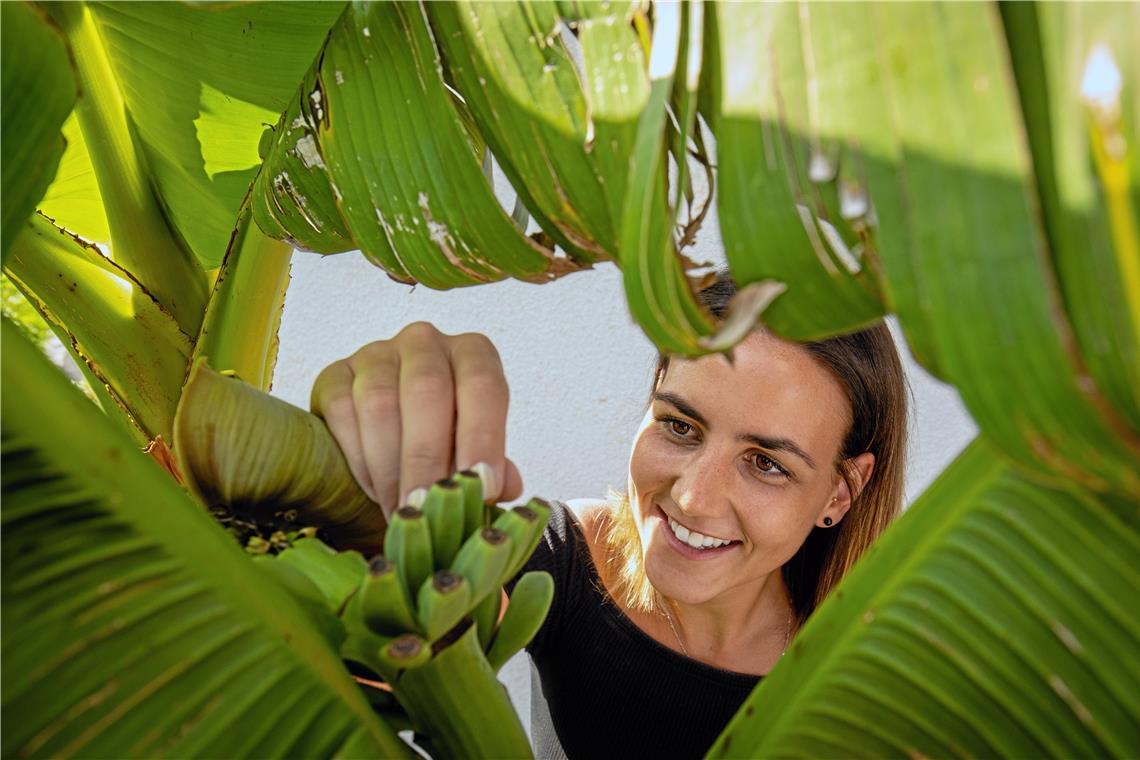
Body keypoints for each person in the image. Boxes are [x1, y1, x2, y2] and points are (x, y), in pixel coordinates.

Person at [310, 274, 908, 758]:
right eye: (680, 426)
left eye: (766, 463)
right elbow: (369, 653)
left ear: (840, 492)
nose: (695, 499)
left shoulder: (879, 690)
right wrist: (343, 468)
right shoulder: (567, 558)